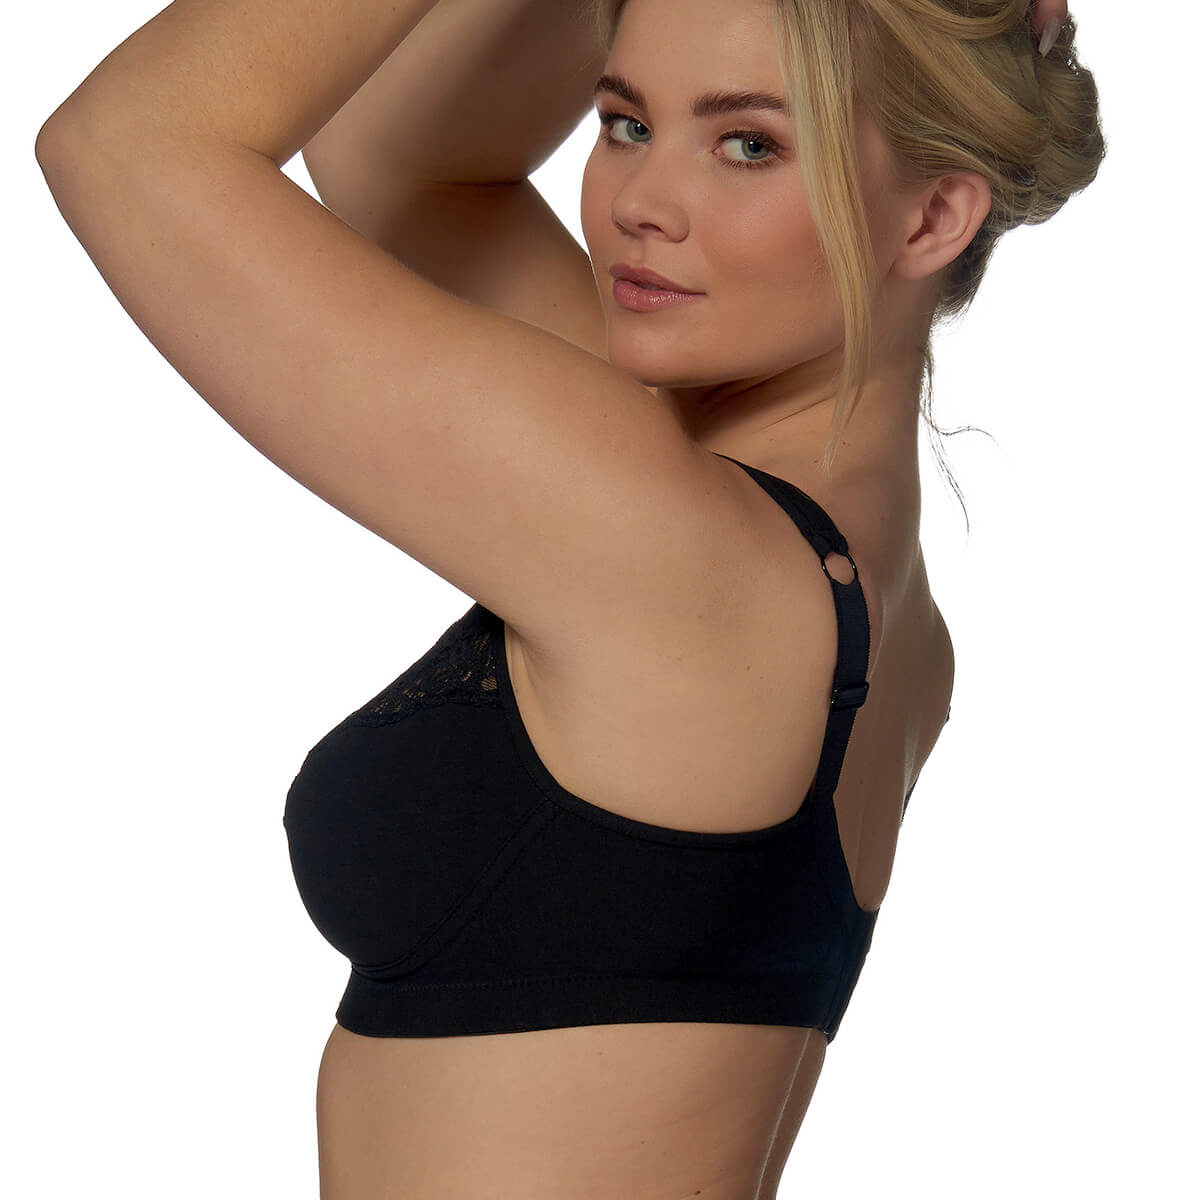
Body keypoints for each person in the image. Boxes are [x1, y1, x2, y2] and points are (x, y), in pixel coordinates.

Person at [36, 0, 1104, 1196]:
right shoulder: (829, 572)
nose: (641, 201)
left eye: (748, 143)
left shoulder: (681, 553)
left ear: (933, 216)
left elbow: (126, 143)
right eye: (625, 123)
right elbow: (406, 165)